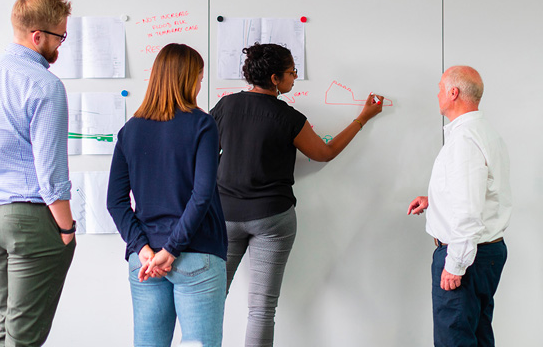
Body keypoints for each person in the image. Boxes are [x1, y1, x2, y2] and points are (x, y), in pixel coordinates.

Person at [210, 42, 384, 347]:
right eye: (292, 72)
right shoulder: (288, 117)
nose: (295, 78)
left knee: (209, 299)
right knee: (261, 310)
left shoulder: (225, 107)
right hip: (271, 218)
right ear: (275, 78)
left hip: (224, 215)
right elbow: (324, 153)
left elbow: (206, 149)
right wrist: (362, 118)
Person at [0, 0, 76, 347]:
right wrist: (67, 228)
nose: (62, 44)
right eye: (60, 36)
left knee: (8, 327)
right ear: (37, 36)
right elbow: (51, 172)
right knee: (24, 337)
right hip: (29, 220)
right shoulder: (45, 85)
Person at [106, 43, 228, 347]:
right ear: (188, 79)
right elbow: (201, 195)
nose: (201, 84)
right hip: (196, 255)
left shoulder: (130, 130)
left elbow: (115, 201)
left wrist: (144, 249)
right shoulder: (203, 124)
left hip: (145, 260)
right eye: (199, 77)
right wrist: (171, 251)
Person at [407, 66, 511, 347]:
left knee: (455, 340)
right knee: (477, 335)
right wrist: (434, 201)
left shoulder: (464, 140)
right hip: (485, 252)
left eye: (441, 88)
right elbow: (481, 191)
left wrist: (456, 264)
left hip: (466, 255)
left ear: (453, 93)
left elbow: (468, 210)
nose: (437, 93)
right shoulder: (483, 132)